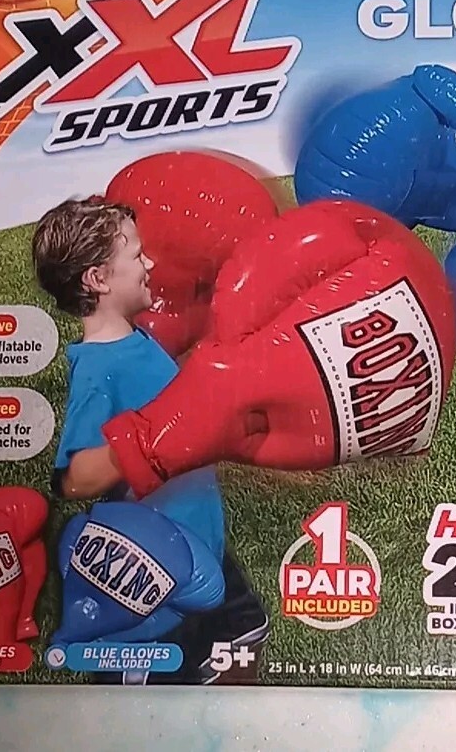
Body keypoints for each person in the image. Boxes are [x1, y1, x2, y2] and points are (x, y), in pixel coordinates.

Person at [31, 195, 269, 682]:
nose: (150, 264)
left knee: (246, 635)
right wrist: (152, 438)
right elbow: (74, 478)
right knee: (169, 677)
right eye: (137, 256)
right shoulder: (99, 369)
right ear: (98, 279)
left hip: (198, 539)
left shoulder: (136, 341)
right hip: (155, 570)